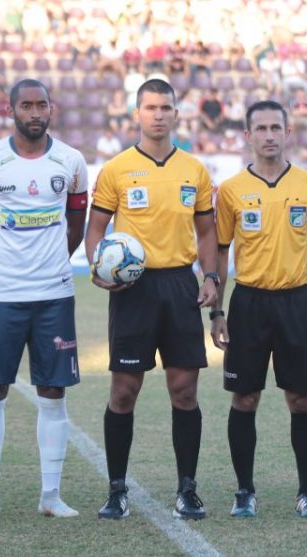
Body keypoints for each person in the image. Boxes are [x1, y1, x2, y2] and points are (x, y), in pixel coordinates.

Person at [85, 79, 219, 521]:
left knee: (184, 390)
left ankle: (187, 489)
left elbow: (206, 232)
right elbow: (96, 228)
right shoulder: (116, 169)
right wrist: (97, 266)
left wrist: (212, 276)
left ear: (176, 114)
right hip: (133, 290)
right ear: (136, 114)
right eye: (150, 107)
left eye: (166, 107)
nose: (158, 115)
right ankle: (116, 489)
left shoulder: (194, 170)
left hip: (180, 285)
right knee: (124, 391)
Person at [0, 79, 89, 520]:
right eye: (26, 105)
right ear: (11, 109)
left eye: (42, 105)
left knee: (52, 390)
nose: (35, 113)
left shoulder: (71, 161)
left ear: (51, 109)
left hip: (54, 294)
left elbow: (76, 224)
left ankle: (51, 495)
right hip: (2, 295)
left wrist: (54, 260)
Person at [210, 100, 307, 519]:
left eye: (275, 127)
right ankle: (244, 491)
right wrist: (218, 312)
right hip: (248, 302)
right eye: (260, 129)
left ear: (288, 132)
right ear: (247, 136)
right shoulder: (230, 191)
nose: (269, 135)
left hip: (296, 302)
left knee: (301, 399)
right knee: (245, 398)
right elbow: (220, 252)